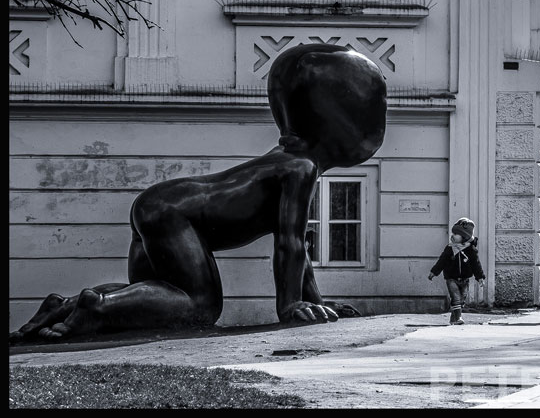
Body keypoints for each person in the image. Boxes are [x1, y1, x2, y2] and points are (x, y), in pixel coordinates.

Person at [10, 44, 386, 342]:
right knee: (200, 306)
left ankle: (65, 306)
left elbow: (296, 249)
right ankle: (97, 306)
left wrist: (314, 302)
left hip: (162, 204)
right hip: (176, 214)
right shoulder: (299, 168)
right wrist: (290, 306)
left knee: (160, 293)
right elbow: (290, 244)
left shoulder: (285, 160)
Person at [428, 217, 485, 325]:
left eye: (456, 234)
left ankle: (453, 318)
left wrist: (480, 277)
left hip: (465, 279)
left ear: (464, 237)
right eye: (453, 233)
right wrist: (434, 272)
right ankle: (458, 318)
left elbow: (476, 264)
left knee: (461, 299)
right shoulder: (450, 248)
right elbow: (442, 261)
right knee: (456, 298)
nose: (453, 235)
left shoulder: (471, 250)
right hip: (451, 278)